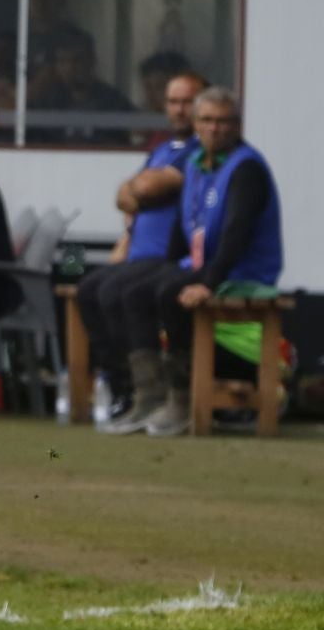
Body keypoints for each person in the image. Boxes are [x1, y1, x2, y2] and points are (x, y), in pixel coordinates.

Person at [116, 86, 280, 437]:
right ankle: (147, 393)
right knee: (133, 291)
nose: (216, 128)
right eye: (207, 120)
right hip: (203, 265)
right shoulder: (196, 164)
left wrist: (206, 282)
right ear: (195, 125)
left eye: (224, 121)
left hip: (242, 273)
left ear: (237, 125)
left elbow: (237, 235)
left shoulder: (246, 168)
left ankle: (182, 396)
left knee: (168, 293)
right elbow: (182, 230)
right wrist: (165, 265)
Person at [86, 71, 206, 432]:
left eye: (187, 101)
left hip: (166, 258)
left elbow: (148, 186)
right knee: (87, 288)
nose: (179, 109)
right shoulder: (162, 149)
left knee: (117, 291)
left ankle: (155, 392)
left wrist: (138, 189)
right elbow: (124, 197)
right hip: (136, 255)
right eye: (173, 101)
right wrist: (137, 190)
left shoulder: (200, 151)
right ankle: (122, 385)